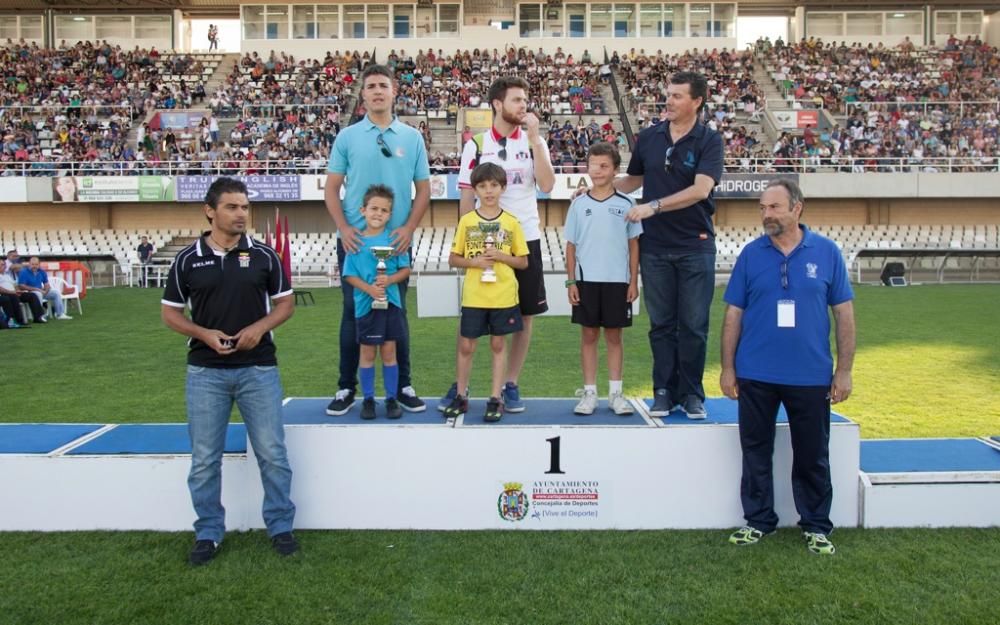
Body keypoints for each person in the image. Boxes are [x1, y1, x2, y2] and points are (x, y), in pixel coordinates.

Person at [160, 177, 299, 565]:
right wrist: (202, 333)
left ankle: (280, 525)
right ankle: (208, 532)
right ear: (210, 211)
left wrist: (259, 329)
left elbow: (285, 305)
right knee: (205, 458)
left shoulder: (264, 256)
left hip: (258, 369)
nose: (241, 214)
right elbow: (170, 314)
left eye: (244, 207)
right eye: (232, 207)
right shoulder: (187, 259)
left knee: (272, 452)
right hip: (206, 373)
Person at [720, 179, 855, 556]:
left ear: (797, 208)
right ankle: (759, 521)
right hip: (755, 373)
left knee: (812, 453)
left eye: (774, 207)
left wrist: (843, 371)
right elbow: (734, 314)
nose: (766, 215)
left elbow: (844, 314)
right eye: (763, 208)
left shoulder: (827, 253)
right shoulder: (750, 254)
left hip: (810, 375)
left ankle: (815, 525)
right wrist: (727, 368)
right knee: (755, 451)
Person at [602, 71, 724, 419]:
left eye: (677, 96)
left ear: (697, 102)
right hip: (654, 246)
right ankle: (663, 392)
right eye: (668, 94)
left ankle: (692, 394)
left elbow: (701, 190)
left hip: (695, 245)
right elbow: (634, 179)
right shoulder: (650, 137)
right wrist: (599, 190)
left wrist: (653, 206)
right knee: (661, 325)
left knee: (694, 325)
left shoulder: (709, 141)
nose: (668, 101)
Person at [440, 76, 556, 413]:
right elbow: (465, 194)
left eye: (525, 100)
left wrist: (535, 141)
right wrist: (467, 242)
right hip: (483, 242)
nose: (524, 106)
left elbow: (547, 186)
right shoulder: (475, 144)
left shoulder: (536, 142)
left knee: (526, 315)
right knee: (474, 315)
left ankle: (511, 383)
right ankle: (461, 386)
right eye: (517, 100)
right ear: (497, 104)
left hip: (526, 238)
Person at [325, 63, 430, 416]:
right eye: (370, 86)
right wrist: (343, 227)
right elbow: (332, 188)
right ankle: (346, 387)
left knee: (397, 316)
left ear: (394, 91)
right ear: (364, 95)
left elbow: (425, 188)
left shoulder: (412, 137)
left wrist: (409, 227)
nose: (377, 91)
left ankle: (403, 387)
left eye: (383, 85)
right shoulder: (347, 136)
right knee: (352, 314)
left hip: (396, 243)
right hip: (357, 244)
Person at [442, 163, 529, 422]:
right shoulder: (467, 221)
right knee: (467, 346)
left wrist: (501, 256)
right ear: (476, 189)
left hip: (502, 296)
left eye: (493, 185)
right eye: (482, 186)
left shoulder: (511, 223)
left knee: (498, 343)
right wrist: (474, 262)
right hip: (474, 295)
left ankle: (495, 397)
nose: (488, 191)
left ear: (503, 187)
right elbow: (453, 259)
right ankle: (461, 395)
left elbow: (523, 262)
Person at [564, 143, 642, 416]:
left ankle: (616, 394)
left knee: (614, 336)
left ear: (615, 170)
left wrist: (633, 281)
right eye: (593, 165)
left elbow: (634, 244)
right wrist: (570, 282)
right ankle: (589, 393)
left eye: (604, 166)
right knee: (588, 335)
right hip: (586, 281)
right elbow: (571, 246)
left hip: (617, 281)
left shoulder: (627, 204)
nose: (597, 171)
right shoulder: (578, 204)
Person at [341, 185, 412, 420]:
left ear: (390, 214)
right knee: (368, 352)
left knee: (390, 351)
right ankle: (368, 399)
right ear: (363, 210)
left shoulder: (395, 239)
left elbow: (405, 269)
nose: (378, 213)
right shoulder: (355, 241)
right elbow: (349, 275)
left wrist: (389, 279)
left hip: (390, 303)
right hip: (365, 305)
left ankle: (391, 399)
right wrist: (369, 289)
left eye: (384, 210)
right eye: (374, 208)